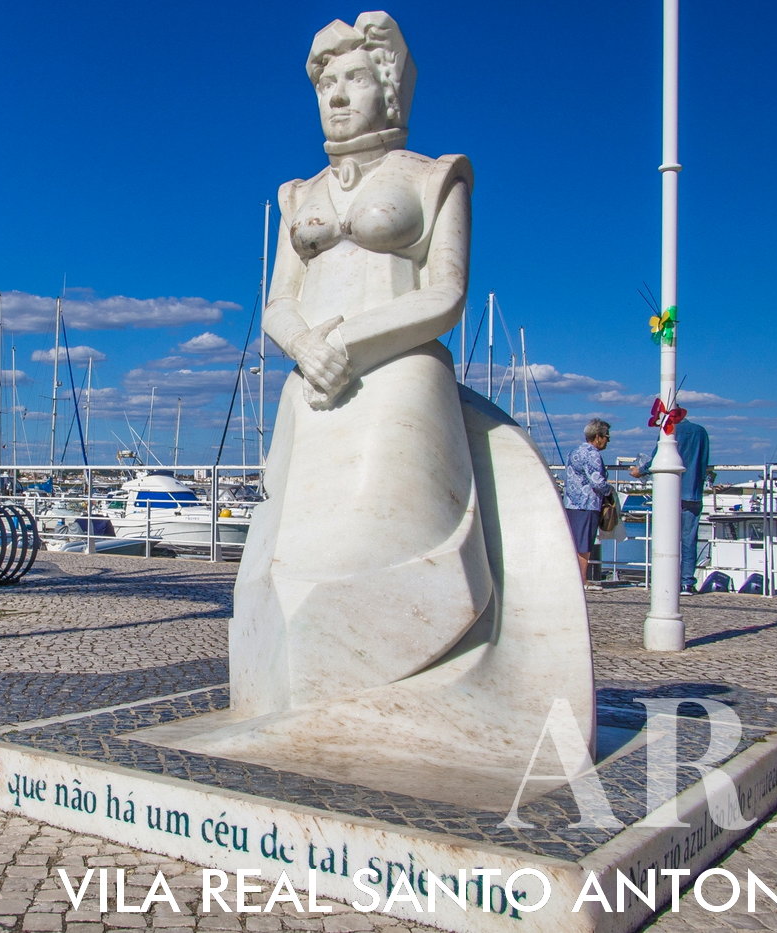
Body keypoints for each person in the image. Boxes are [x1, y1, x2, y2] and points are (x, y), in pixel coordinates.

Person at [230, 10, 492, 713]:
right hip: (311, 380)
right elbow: (278, 300)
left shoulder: (436, 177)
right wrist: (309, 347)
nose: (336, 97)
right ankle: (291, 683)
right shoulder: (298, 194)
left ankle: (387, 681)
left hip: (400, 371)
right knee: (283, 552)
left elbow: (445, 293)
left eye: (353, 80)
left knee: (376, 537)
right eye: (325, 84)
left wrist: (351, 342)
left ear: (388, 87)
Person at [630, 418, 711, 593]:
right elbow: (704, 461)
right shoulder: (701, 432)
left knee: (666, 537)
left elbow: (658, 459)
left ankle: (665, 579)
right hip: (693, 492)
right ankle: (687, 582)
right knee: (689, 540)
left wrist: (640, 471)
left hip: (671, 492)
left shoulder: (670, 431)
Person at [564, 419, 613, 583]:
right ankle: (582, 578)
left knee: (573, 541)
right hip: (588, 503)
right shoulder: (593, 454)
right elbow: (597, 482)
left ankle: (573, 576)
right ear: (598, 436)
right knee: (584, 543)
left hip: (571, 503)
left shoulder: (572, 452)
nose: (608, 440)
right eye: (607, 437)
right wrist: (610, 491)